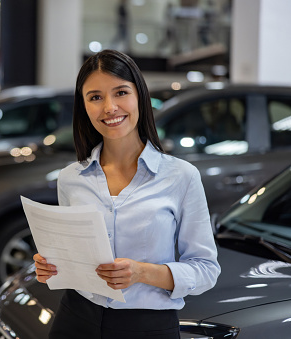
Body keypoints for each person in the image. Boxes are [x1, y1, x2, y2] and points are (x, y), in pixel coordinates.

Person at [33, 49, 220, 339]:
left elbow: (206, 269)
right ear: (83, 106)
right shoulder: (71, 178)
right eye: (95, 97)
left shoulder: (181, 176)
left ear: (140, 97)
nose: (109, 107)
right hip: (75, 319)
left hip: (148, 327)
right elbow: (74, 258)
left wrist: (142, 272)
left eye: (120, 92)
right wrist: (52, 266)